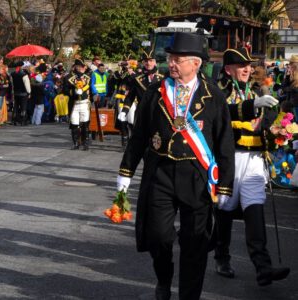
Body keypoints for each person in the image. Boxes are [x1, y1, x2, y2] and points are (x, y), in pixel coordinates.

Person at [116, 32, 235, 300]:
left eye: (178, 59)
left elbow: (224, 142)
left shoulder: (213, 96)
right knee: (158, 236)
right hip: (160, 173)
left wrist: (225, 185)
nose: (171, 63)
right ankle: (164, 277)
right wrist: (126, 171)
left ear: (196, 63)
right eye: (170, 58)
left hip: (197, 177)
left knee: (195, 243)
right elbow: (139, 136)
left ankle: (188, 296)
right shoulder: (155, 92)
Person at [213, 47, 290, 285]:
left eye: (249, 65)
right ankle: (222, 258)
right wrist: (252, 107)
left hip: (255, 161)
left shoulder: (256, 90)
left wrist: (276, 130)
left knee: (255, 211)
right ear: (228, 69)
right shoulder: (218, 92)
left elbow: (268, 118)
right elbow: (221, 115)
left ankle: (262, 267)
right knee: (224, 211)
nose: (247, 69)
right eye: (241, 65)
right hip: (230, 159)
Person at [119, 49, 164, 130]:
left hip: (158, 114)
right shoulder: (137, 79)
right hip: (141, 113)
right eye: (146, 61)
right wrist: (124, 111)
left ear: (155, 62)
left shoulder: (163, 79)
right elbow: (130, 97)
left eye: (151, 60)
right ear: (143, 63)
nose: (148, 63)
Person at [63, 59, 91, 150]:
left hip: (84, 103)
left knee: (85, 124)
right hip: (74, 104)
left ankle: (85, 143)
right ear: (76, 67)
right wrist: (74, 92)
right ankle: (75, 143)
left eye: (83, 67)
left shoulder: (87, 77)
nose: (82, 68)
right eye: (80, 67)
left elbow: (90, 90)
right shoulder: (68, 77)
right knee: (74, 124)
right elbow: (65, 91)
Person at [10, 61, 31, 126]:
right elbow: (27, 84)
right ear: (21, 66)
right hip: (23, 93)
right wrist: (29, 92)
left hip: (16, 92)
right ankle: (23, 121)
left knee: (16, 106)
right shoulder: (24, 74)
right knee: (23, 107)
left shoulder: (12, 74)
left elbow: (12, 84)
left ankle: (14, 120)